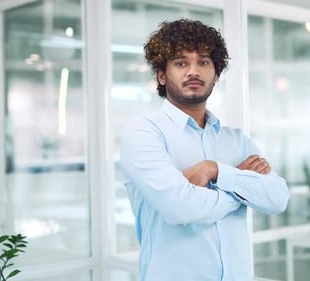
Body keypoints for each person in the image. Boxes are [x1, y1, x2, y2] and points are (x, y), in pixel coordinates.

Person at [120, 18, 290, 281]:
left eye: (203, 62)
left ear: (216, 73)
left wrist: (217, 171)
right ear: (162, 75)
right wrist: (241, 189)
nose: (193, 71)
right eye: (181, 63)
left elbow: (277, 198)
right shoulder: (144, 133)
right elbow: (180, 207)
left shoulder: (236, 140)